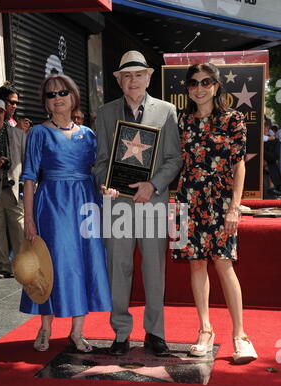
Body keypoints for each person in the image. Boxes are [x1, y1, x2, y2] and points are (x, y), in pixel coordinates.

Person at [94, 50, 182, 356]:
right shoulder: (105, 114)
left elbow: (174, 159)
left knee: (154, 270)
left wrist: (153, 184)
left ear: (148, 77)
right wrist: (104, 183)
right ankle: (120, 333)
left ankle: (155, 333)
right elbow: (100, 161)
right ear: (119, 80)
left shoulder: (167, 111)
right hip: (118, 205)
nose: (133, 80)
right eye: (127, 75)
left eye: (139, 74)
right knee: (118, 268)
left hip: (153, 202)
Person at [20, 74, 114, 352]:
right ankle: (45, 327)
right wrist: (29, 219)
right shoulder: (39, 132)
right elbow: (28, 178)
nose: (57, 98)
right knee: (51, 263)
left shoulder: (89, 135)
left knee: (84, 262)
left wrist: (107, 187)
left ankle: (77, 331)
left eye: (62, 93)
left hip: (86, 204)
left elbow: (98, 172)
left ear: (73, 97)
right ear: (45, 103)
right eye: (50, 95)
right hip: (52, 205)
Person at [172, 63, 257, 364]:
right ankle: (205, 330)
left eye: (206, 81)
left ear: (217, 85)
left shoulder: (233, 119)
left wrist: (235, 206)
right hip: (188, 198)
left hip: (221, 202)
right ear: (188, 88)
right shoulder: (181, 120)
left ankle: (240, 336)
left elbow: (239, 164)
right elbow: (168, 158)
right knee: (196, 264)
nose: (199, 87)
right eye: (193, 82)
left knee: (224, 263)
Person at [0, 98, 25, 278]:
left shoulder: (17, 134)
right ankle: (2, 267)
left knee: (19, 228)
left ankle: (22, 265)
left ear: (5, 114)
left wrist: (27, 184)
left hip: (13, 187)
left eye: (0, 112)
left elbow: (26, 160)